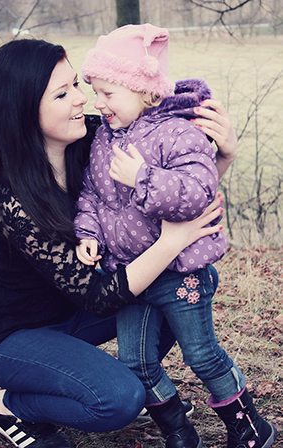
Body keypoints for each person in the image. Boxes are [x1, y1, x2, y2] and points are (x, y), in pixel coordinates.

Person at [0, 38, 236, 448]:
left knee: (186, 285)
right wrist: (171, 241)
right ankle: (13, 404)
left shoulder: (95, 137)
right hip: (11, 336)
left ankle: (143, 378)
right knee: (117, 400)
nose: (81, 99)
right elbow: (98, 296)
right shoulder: (15, 201)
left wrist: (223, 157)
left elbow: (173, 193)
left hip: (72, 314)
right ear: (23, 111)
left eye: (76, 84)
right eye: (62, 93)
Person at [74, 24, 277, 448]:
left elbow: (198, 191)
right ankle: (178, 430)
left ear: (144, 91)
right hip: (131, 274)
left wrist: (142, 177)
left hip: (180, 272)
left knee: (202, 355)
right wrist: (88, 232)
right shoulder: (104, 139)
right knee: (135, 361)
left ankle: (249, 426)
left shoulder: (178, 132)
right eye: (96, 92)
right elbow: (92, 194)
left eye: (108, 94)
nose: (99, 104)